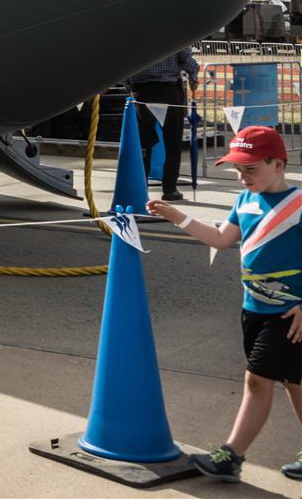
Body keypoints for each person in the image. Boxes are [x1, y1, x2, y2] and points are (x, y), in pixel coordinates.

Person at [149, 125, 302, 482]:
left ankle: (230, 456)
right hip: (254, 310)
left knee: (257, 380)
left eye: (251, 169)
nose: (242, 176)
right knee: (294, 382)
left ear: (278, 164)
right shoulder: (244, 201)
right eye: (238, 169)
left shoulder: (298, 205)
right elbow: (220, 240)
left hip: (288, 314)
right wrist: (178, 217)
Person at [128, 46, 201, 201]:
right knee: (173, 143)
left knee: (143, 144)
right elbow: (187, 60)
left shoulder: (136, 35)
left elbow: (124, 63)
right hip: (169, 91)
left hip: (141, 90)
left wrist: (128, 84)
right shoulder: (172, 33)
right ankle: (170, 189)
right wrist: (194, 76)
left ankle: (141, 187)